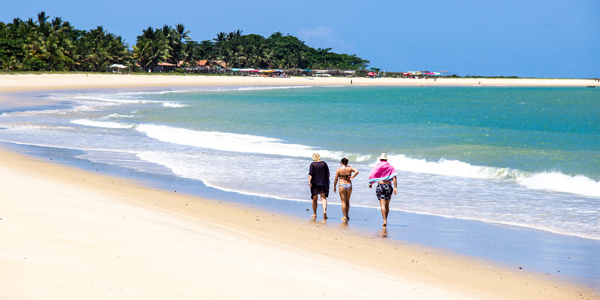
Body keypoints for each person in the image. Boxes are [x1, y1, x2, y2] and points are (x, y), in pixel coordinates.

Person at [368, 153, 398, 226]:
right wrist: (395, 187)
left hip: (380, 186)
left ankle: (384, 220)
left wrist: (370, 183)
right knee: (387, 205)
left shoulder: (377, 166)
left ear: (380, 159)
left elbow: (372, 174)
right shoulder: (391, 167)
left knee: (382, 205)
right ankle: (386, 219)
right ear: (386, 159)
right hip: (389, 186)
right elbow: (394, 177)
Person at [308, 153, 330, 219]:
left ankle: (314, 214)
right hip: (323, 182)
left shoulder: (312, 164)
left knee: (314, 199)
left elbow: (310, 174)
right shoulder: (324, 164)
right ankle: (324, 211)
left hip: (315, 183)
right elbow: (328, 174)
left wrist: (309, 181)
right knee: (323, 198)